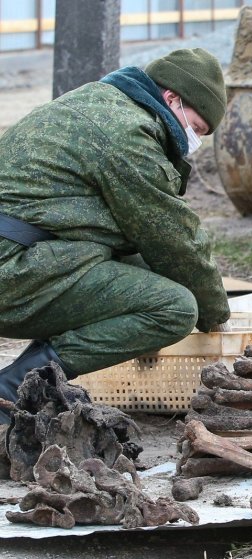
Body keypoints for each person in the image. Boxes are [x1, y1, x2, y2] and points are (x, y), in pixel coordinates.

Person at [0, 48, 231, 423]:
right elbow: (172, 235)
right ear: (172, 98)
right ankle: (15, 387)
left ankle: (25, 380)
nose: (195, 140)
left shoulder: (99, 102)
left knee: (139, 266)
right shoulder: (128, 134)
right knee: (174, 308)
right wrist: (215, 314)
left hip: (17, 253)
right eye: (198, 128)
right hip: (9, 267)